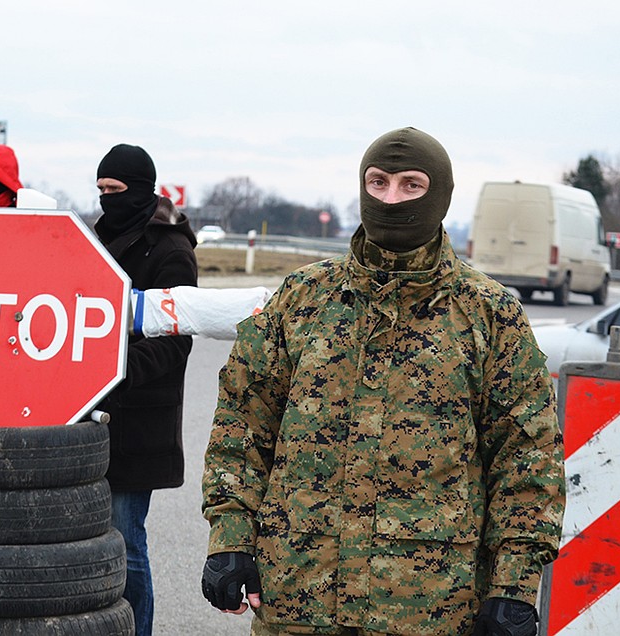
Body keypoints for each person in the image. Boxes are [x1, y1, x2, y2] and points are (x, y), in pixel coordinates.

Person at [200, 127, 566, 635]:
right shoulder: (304, 298)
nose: (391, 199)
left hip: (428, 607)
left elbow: (526, 455)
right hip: (299, 601)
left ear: (439, 195)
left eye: (411, 185)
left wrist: (514, 587)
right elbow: (244, 421)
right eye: (378, 183)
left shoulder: (487, 313)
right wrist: (231, 536)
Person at [94, 143, 198, 635]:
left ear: (140, 190)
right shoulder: (95, 239)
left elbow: (176, 342)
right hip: (91, 415)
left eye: (115, 190)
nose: (107, 200)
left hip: (140, 419)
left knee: (126, 542)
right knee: (97, 542)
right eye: (101, 191)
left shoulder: (170, 249)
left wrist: (113, 370)